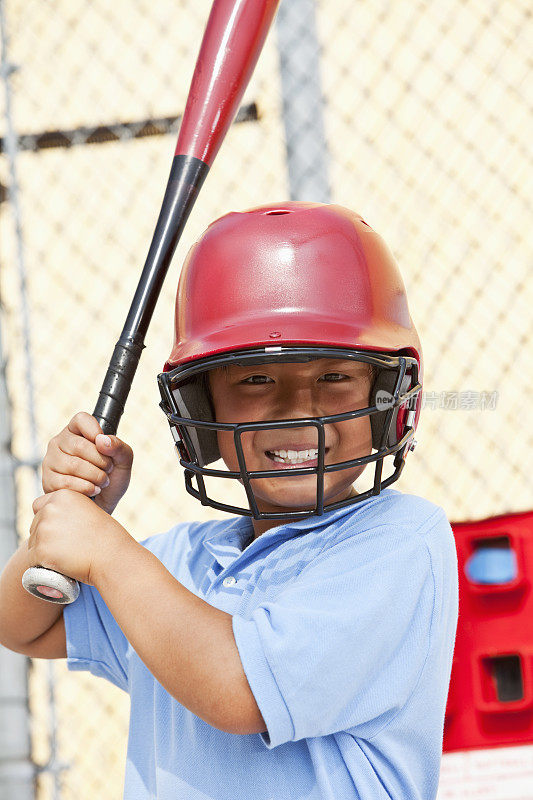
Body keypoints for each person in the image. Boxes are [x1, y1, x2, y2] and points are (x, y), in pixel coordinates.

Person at [0, 203, 458, 800]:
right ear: (201, 413)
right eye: (256, 380)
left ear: (390, 396)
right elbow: (25, 628)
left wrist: (106, 554)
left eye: (336, 377)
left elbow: (238, 689)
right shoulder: (181, 560)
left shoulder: (400, 542)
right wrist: (64, 528)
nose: (299, 411)